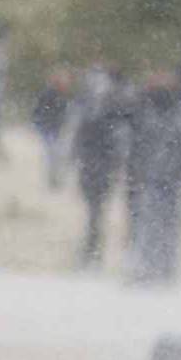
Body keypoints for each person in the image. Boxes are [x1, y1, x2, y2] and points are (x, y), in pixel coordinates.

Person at [126, 74, 181, 286]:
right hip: (151, 177)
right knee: (149, 223)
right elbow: (132, 142)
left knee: (168, 224)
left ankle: (164, 268)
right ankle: (148, 267)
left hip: (172, 179)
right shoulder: (142, 109)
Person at [73, 73, 128, 267]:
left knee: (95, 214)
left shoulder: (107, 116)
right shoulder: (104, 116)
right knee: (95, 213)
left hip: (98, 171)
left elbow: (81, 144)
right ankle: (93, 251)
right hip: (94, 170)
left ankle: (93, 251)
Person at [32, 70, 74, 190]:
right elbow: (39, 111)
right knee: (52, 155)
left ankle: (55, 179)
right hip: (50, 129)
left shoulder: (63, 97)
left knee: (56, 156)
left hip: (57, 130)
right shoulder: (49, 95)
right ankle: (53, 179)